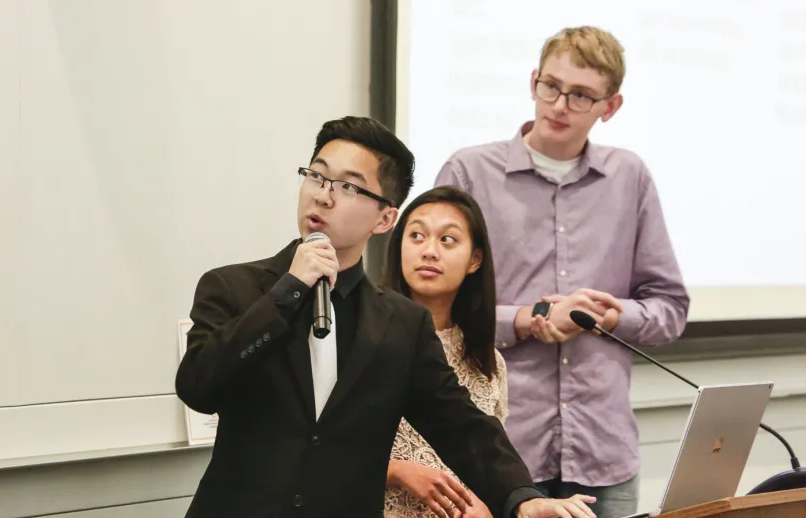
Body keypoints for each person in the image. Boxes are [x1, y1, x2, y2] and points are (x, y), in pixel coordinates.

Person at [176, 115, 597, 518]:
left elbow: (461, 424)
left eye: (348, 186)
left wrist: (521, 498)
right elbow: (199, 386)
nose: (323, 194)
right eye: (317, 176)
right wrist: (288, 291)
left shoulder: (402, 323)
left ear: (385, 218)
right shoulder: (232, 288)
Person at [434, 27, 691, 518]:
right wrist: (530, 318)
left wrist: (612, 317)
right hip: (500, 450)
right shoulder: (470, 174)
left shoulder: (629, 178)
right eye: (550, 86)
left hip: (603, 453)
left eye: (580, 95)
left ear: (609, 106)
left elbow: (670, 309)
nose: (558, 105)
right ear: (534, 80)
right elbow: (432, 308)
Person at [380, 186, 507, 518]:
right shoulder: (361, 338)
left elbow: (489, 464)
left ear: (475, 260)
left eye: (447, 240)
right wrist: (398, 471)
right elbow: (319, 454)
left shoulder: (488, 361)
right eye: (417, 236)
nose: (429, 251)